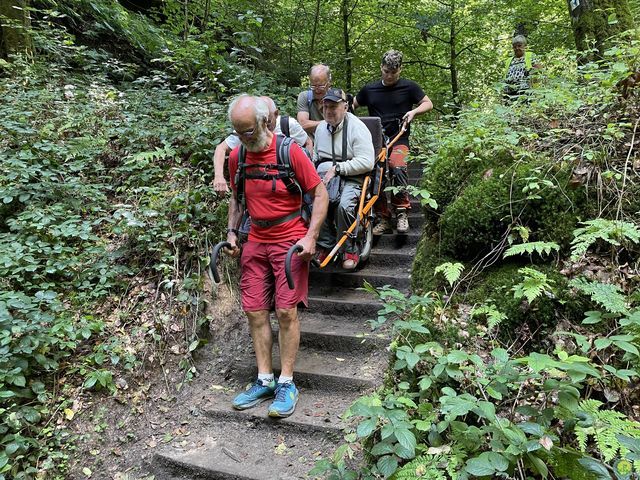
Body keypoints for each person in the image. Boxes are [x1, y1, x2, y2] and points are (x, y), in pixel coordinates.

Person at [224, 95, 328, 418]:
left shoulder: (289, 151)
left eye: (248, 131)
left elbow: (320, 193)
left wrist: (310, 236)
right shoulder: (238, 156)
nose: (243, 138)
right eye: (238, 132)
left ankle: (287, 382)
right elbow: (236, 199)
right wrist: (231, 233)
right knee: (255, 312)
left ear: (263, 122)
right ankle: (264, 379)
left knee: (285, 312)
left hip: (289, 239)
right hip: (256, 238)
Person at [353, 49, 433, 235]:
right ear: (381, 68)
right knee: (377, 175)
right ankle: (383, 217)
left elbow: (428, 103)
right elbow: (351, 106)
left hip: (399, 137)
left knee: (397, 166)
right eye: (386, 71)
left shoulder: (409, 87)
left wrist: (413, 112)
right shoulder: (369, 89)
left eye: (393, 72)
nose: (389, 76)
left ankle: (402, 212)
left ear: (400, 70)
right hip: (376, 140)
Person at [314, 88, 375, 270]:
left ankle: (350, 249)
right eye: (326, 107)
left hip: (353, 177)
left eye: (334, 106)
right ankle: (326, 244)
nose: (329, 111)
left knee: (344, 205)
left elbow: (367, 161)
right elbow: (316, 156)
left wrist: (340, 168)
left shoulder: (357, 128)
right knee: (315, 201)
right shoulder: (320, 129)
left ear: (346, 107)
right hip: (325, 177)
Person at [213, 97, 312, 193]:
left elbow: (307, 142)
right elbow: (221, 148)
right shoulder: (246, 130)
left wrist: (309, 166)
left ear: (275, 114)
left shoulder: (288, 125)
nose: (265, 129)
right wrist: (218, 176)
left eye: (268, 122)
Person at [297, 64, 332, 137]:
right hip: (311, 144)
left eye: (321, 86)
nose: (317, 90)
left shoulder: (336, 99)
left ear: (328, 84)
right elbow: (303, 124)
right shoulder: (305, 97)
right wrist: (329, 123)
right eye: (313, 86)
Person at [503, 35, 541, 101]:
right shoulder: (509, 60)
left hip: (526, 93)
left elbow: (539, 73)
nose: (517, 48)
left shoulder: (530, 56)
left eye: (519, 46)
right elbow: (505, 77)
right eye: (514, 47)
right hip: (510, 95)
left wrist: (536, 91)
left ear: (525, 46)